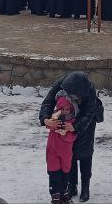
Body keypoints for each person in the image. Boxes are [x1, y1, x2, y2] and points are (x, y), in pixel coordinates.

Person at [39, 72, 104, 203]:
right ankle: (72, 185)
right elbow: (48, 102)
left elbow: (90, 112)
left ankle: (86, 186)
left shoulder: (89, 88)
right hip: (67, 120)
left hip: (86, 122)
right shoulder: (61, 84)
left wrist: (75, 126)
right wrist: (45, 119)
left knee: (85, 153)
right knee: (70, 153)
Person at [45, 94, 78, 204]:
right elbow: (48, 125)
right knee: (54, 173)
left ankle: (64, 192)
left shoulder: (73, 121)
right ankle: (55, 194)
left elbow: (74, 136)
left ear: (71, 109)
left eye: (67, 109)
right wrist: (50, 123)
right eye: (62, 109)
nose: (64, 111)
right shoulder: (54, 119)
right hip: (52, 151)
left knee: (65, 173)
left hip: (66, 153)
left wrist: (66, 133)